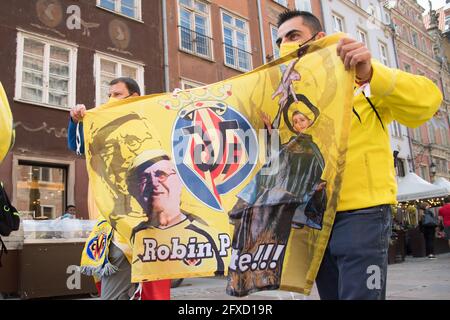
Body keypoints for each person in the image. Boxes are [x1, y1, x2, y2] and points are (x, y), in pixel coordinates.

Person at [275, 10, 442, 300]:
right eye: (279, 40)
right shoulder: (289, 100)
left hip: (363, 211)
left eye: (293, 36)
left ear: (320, 40)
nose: (284, 45)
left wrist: (370, 73)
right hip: (314, 214)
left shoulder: (360, 79)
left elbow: (428, 100)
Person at [68, 77, 170, 300]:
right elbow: (79, 147)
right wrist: (76, 122)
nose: (110, 100)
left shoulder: (153, 125)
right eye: (109, 95)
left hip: (149, 232)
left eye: (117, 95)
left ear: (133, 98)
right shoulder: (106, 127)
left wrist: (181, 105)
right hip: (118, 232)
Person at [126, 150, 226, 273]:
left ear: (180, 182)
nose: (154, 183)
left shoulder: (206, 237)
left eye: (161, 174)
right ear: (133, 190)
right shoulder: (133, 234)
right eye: (144, 178)